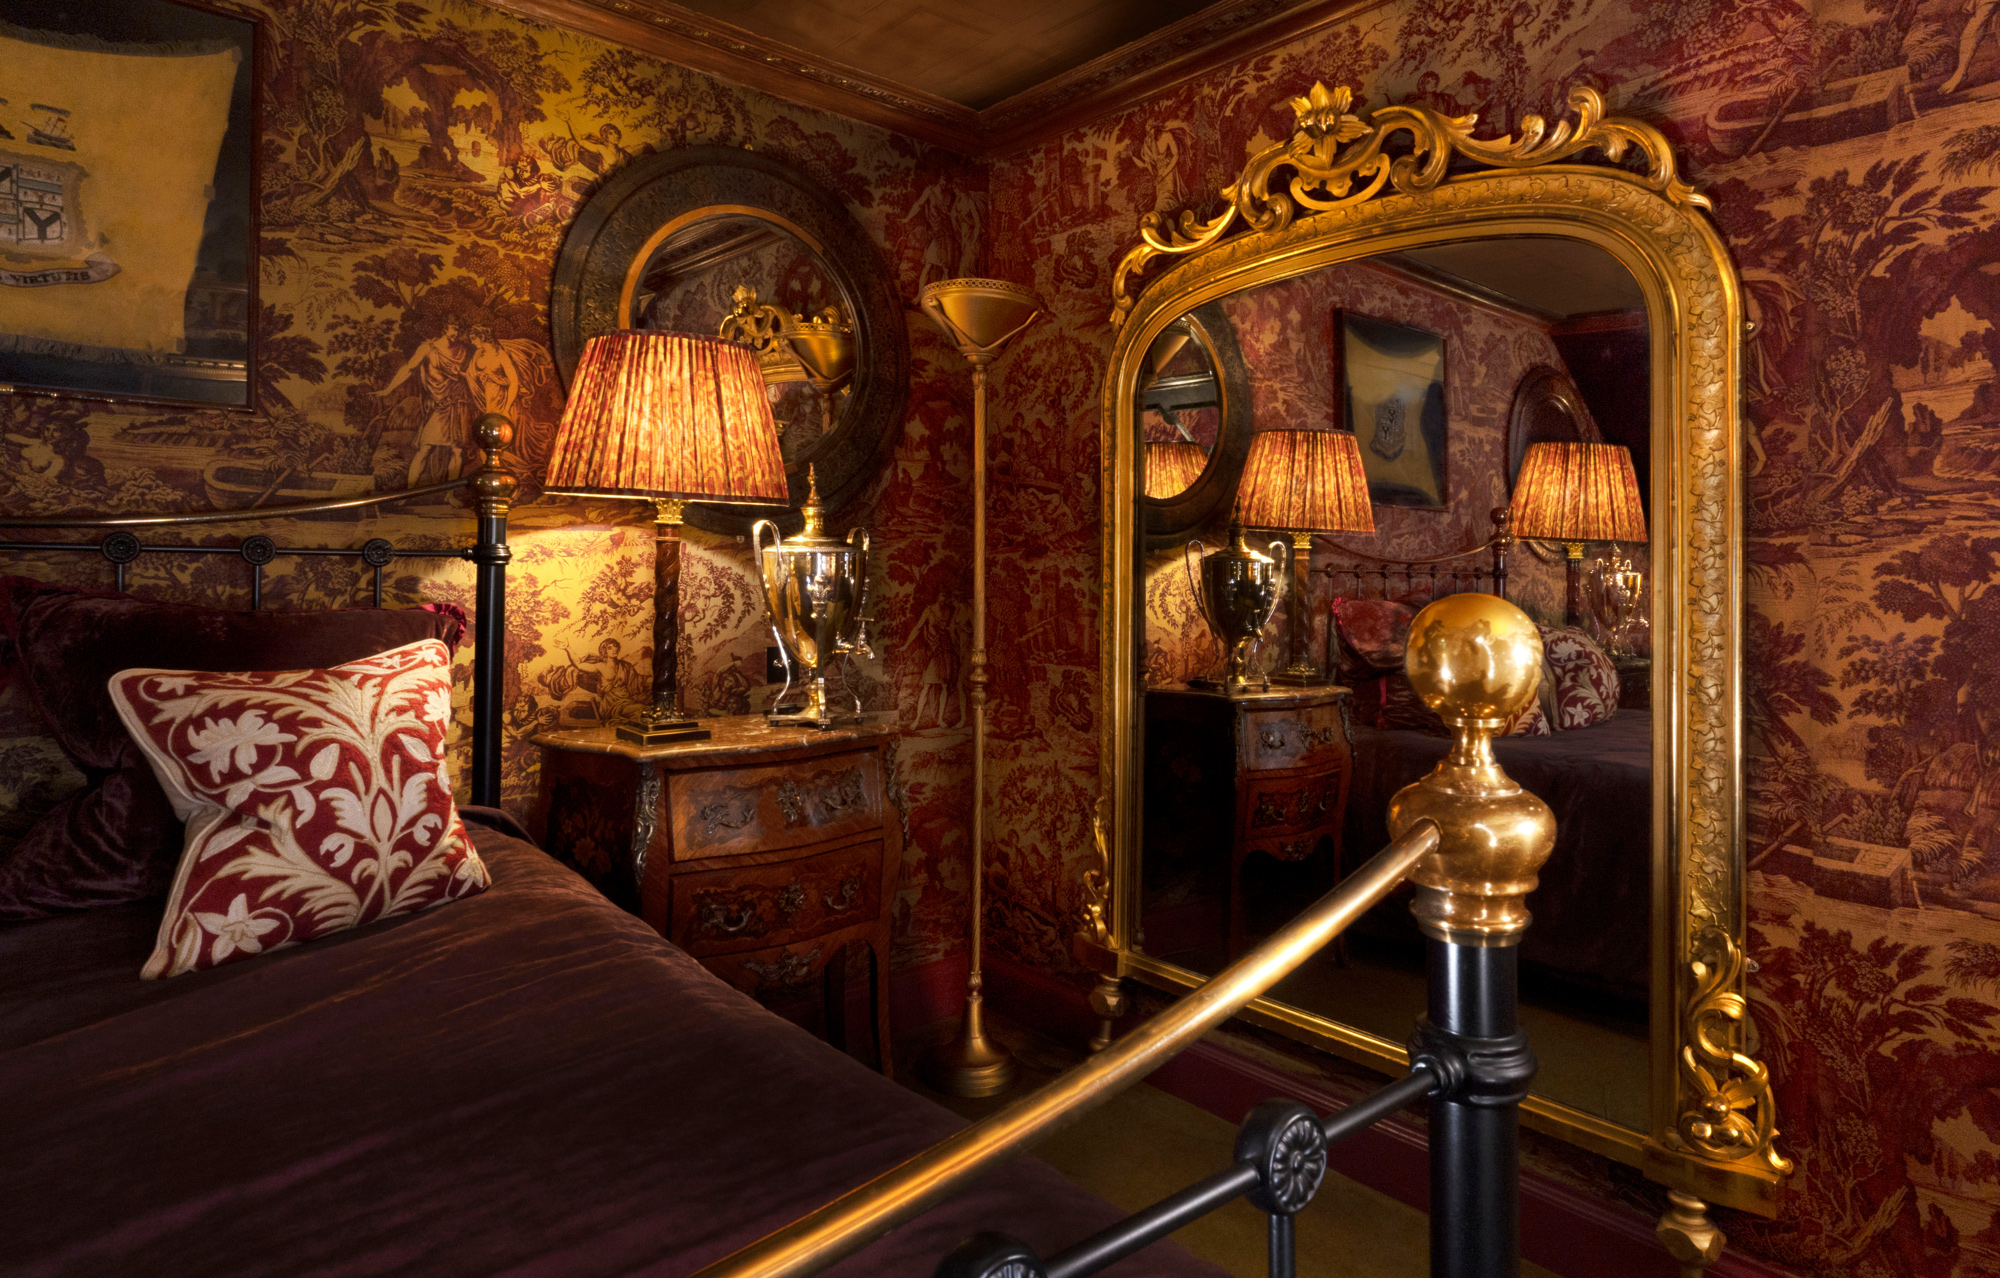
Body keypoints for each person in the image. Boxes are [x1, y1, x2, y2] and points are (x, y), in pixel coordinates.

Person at [382, 316, 472, 488]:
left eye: (460, 330)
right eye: (454, 328)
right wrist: (388, 389)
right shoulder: (428, 349)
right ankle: (408, 493)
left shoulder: (464, 350)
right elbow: (408, 369)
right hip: (440, 404)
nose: (457, 333)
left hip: (459, 403)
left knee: (457, 450)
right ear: (445, 328)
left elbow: (473, 377)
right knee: (425, 448)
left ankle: (450, 494)